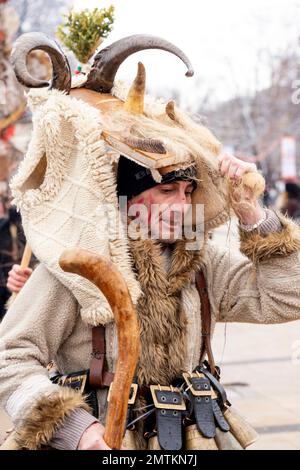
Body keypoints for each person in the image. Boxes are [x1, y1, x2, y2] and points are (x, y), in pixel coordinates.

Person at [0, 33, 300, 451]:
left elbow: (288, 298)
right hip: (104, 441)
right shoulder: (81, 263)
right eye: (165, 191)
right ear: (128, 198)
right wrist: (77, 431)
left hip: (194, 439)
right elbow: (10, 358)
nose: (181, 204)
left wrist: (255, 216)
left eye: (187, 192)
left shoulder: (201, 259)